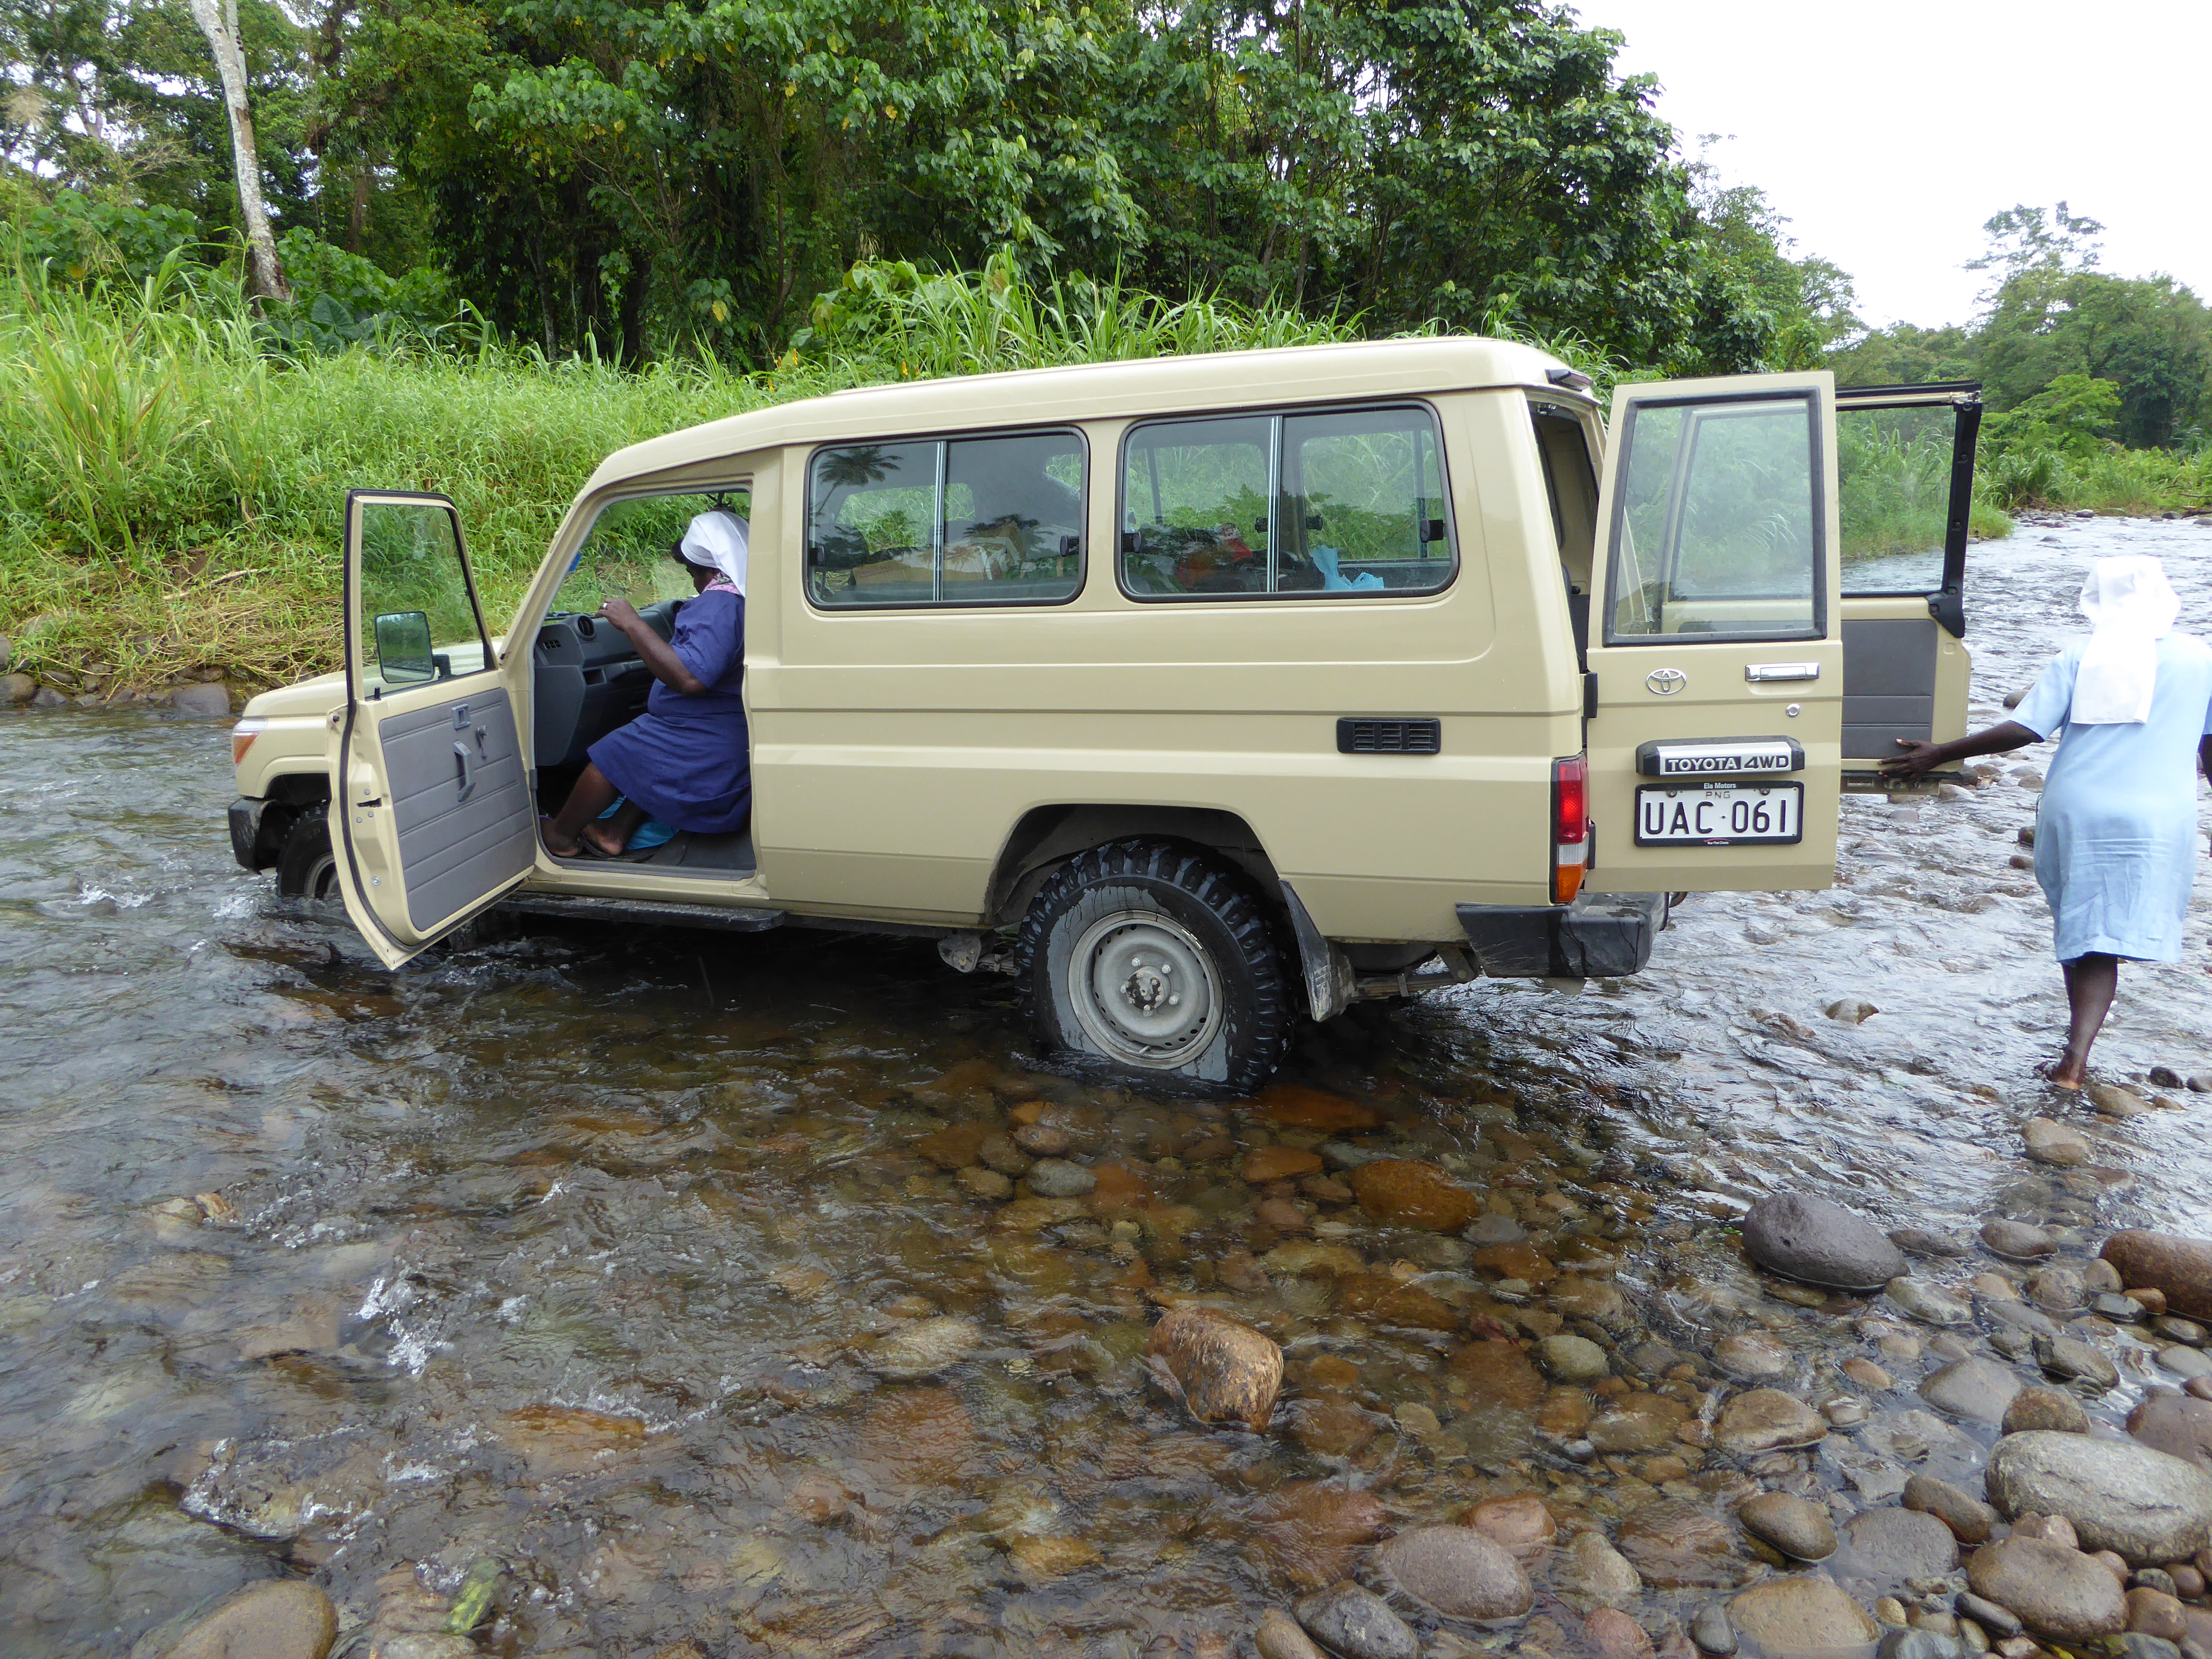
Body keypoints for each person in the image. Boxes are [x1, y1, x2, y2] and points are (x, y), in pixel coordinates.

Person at [1884, 556, 2212, 1089]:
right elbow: (2210, 747)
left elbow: (2025, 730)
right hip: (2158, 815)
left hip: (2078, 807)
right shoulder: (2202, 659)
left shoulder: (2083, 654)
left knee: (2082, 929)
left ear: (2098, 600)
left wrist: (1940, 752)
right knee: (2104, 940)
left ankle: (2073, 1060)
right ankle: (2076, 1057)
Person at [540, 510, 752, 858]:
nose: (695, 586)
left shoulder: (719, 605)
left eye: (693, 575)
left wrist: (632, 624)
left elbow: (690, 678)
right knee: (646, 752)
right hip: (721, 726)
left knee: (614, 756)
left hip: (702, 734)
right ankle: (613, 831)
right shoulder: (744, 600)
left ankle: (562, 836)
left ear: (712, 570)